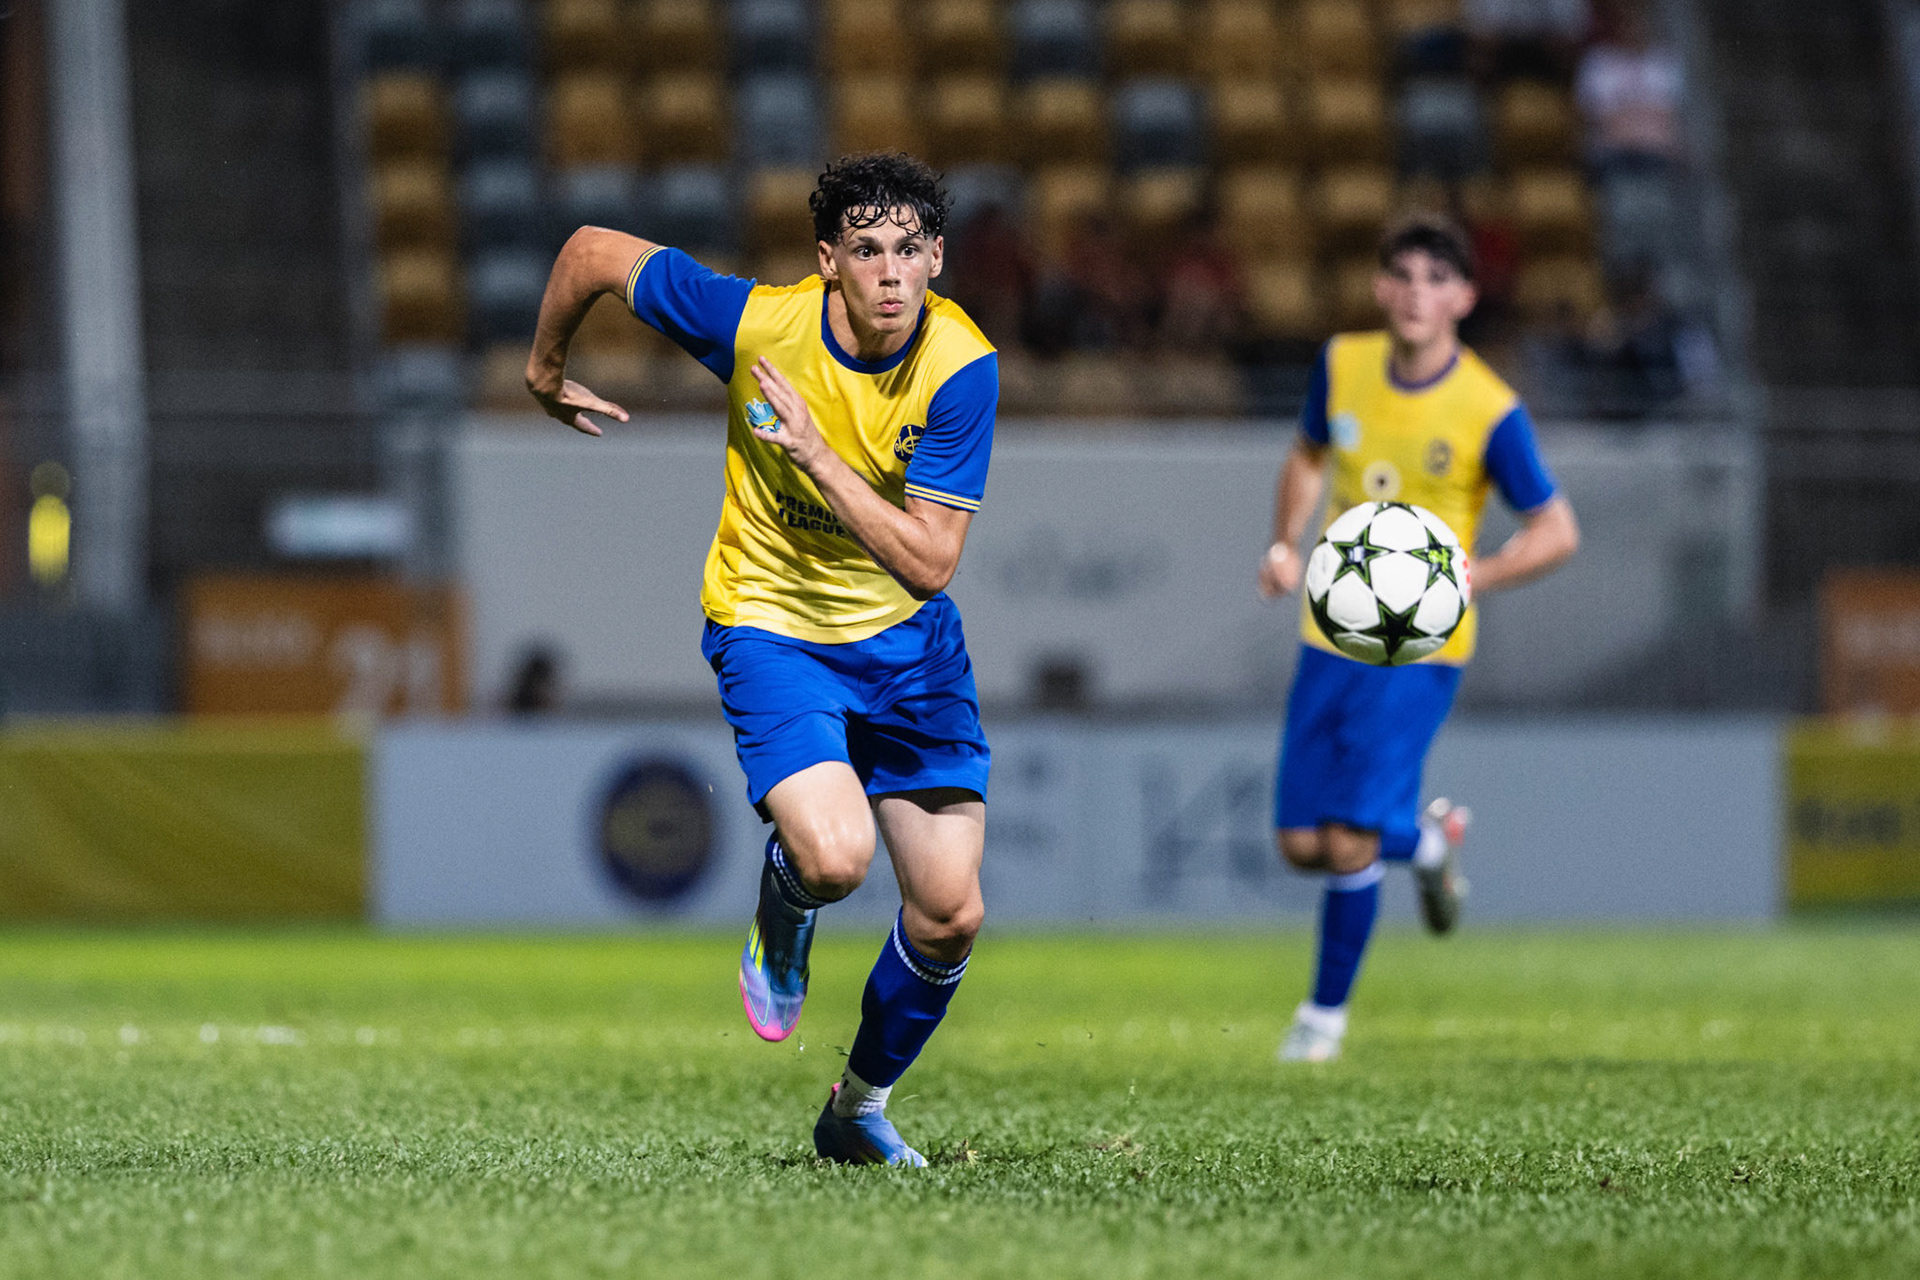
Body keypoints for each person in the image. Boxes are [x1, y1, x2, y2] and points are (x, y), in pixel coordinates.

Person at [524, 154, 996, 1165]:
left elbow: (929, 561)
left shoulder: (962, 367)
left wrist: (818, 453)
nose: (891, 274)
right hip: (773, 625)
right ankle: (788, 903)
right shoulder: (756, 324)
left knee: (950, 912)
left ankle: (857, 1108)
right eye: (866, 250)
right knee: (834, 856)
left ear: (938, 258)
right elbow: (592, 251)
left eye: (911, 250)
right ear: (828, 260)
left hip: (910, 650)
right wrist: (545, 366)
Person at [1256, 214, 1580, 1063]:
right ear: (1379, 288)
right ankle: (1429, 843)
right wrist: (1287, 542)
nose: (1416, 293)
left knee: (1350, 839)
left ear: (1465, 298)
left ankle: (1321, 1021)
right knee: (1302, 844)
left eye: (1437, 279)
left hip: (1422, 649)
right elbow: (1304, 455)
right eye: (1402, 275)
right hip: (1330, 633)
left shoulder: (1489, 409)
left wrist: (1476, 575)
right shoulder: (1342, 364)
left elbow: (1556, 531)